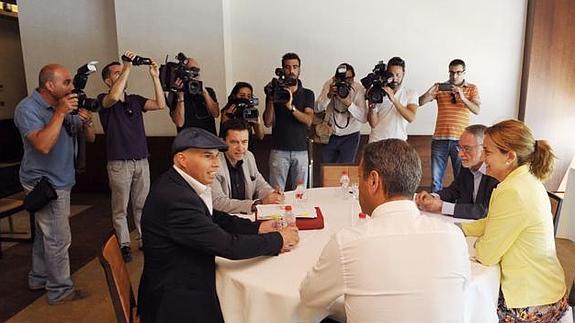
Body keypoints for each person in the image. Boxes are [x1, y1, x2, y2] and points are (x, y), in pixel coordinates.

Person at [138, 127, 299, 323]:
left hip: (180, 277)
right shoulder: (176, 199)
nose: (216, 164)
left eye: (216, 156)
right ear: (181, 159)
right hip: (175, 300)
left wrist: (258, 228)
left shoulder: (178, 183)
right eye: (208, 156)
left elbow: (214, 218)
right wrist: (278, 240)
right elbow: (228, 246)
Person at [300, 139, 470, 322]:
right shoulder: (453, 236)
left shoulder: (348, 243)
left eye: (359, 179)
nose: (358, 189)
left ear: (373, 181)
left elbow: (309, 296)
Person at [462, 119, 568, 321]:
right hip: (546, 289)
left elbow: (487, 255)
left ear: (509, 156)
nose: (483, 158)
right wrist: (460, 229)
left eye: (488, 151)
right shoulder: (525, 179)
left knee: (467, 311)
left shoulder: (513, 190)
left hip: (533, 300)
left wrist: (476, 241)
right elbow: (492, 221)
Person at [14, 64, 96, 304]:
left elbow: (89, 138)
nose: (72, 87)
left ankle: (38, 277)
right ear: (50, 85)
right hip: (45, 184)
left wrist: (88, 121)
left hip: (62, 178)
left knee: (45, 234)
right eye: (67, 82)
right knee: (58, 239)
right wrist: (59, 114)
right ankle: (60, 291)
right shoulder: (27, 109)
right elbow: (43, 145)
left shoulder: (66, 106)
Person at [98, 51, 167, 262]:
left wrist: (155, 77)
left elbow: (160, 104)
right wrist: (127, 67)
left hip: (141, 159)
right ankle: (124, 243)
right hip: (119, 163)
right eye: (116, 73)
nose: (121, 76)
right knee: (120, 207)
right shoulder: (103, 100)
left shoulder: (135, 100)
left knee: (142, 204)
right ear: (108, 80)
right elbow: (113, 97)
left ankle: (145, 238)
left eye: (122, 72)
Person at [419, 59, 481, 192]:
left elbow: (476, 110)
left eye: (458, 72)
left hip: (461, 141)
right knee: (436, 180)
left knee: (461, 177)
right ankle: (434, 205)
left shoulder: (472, 88)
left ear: (464, 72)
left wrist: (463, 97)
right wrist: (429, 93)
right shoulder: (440, 88)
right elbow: (420, 102)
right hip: (439, 139)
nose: (455, 76)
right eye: (452, 72)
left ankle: (459, 206)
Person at [415, 124, 499, 219]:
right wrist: (432, 197)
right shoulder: (467, 167)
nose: (460, 154)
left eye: (467, 149)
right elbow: (453, 190)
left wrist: (442, 207)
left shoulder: (495, 172)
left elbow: (485, 210)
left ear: (484, 149)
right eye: (459, 148)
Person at [263, 52, 314, 190]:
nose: (291, 71)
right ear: (282, 69)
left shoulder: (308, 93)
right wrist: (271, 99)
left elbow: (309, 120)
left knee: (300, 193)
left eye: (295, 67)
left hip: (301, 150)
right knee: (276, 192)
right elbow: (267, 122)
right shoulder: (275, 91)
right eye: (287, 67)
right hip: (278, 150)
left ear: (300, 69)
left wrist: (290, 107)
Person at [212, 119, 283, 214]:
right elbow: (218, 202)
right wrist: (257, 204)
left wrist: (272, 194)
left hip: (246, 218)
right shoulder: (213, 163)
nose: (241, 148)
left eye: (244, 142)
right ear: (223, 142)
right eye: (234, 142)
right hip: (223, 220)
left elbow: (260, 184)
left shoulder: (249, 156)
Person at [315, 63, 367, 163]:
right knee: (326, 169)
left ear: (353, 78)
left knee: (345, 171)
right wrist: (329, 95)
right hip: (330, 134)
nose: (345, 82)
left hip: (351, 136)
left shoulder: (358, 88)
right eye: (342, 79)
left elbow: (363, 118)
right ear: (336, 78)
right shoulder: (330, 85)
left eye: (349, 79)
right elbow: (317, 108)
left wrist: (348, 103)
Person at [367, 57, 418, 143]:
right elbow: (373, 124)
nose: (395, 79)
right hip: (377, 142)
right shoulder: (377, 91)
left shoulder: (410, 93)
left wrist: (393, 99)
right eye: (391, 75)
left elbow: (411, 117)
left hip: (399, 143)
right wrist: (372, 106)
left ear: (403, 73)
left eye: (398, 75)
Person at [168, 56, 220, 134]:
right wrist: (180, 96)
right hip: (188, 142)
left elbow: (216, 114)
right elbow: (179, 122)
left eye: (196, 71)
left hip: (209, 141)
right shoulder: (174, 94)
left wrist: (204, 92)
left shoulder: (208, 91)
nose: (194, 75)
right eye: (191, 71)